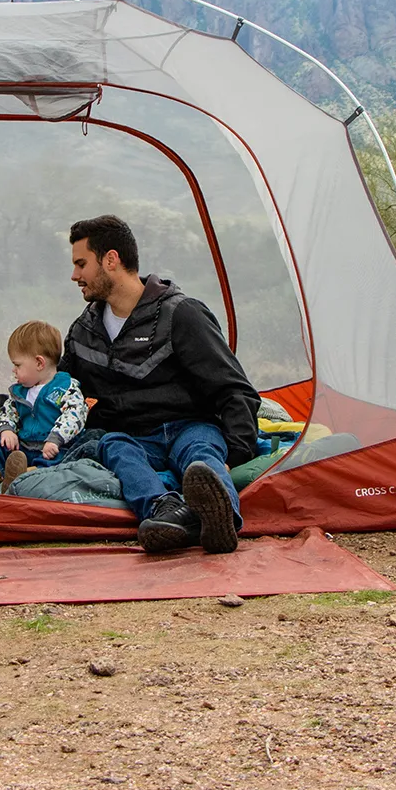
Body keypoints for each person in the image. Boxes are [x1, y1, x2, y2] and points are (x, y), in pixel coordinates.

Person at [61, 215, 261, 554]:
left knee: (201, 455)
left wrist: (237, 453)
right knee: (114, 445)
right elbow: (57, 391)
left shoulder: (182, 314)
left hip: (190, 426)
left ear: (111, 260)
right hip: (133, 437)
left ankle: (221, 518)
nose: (74, 275)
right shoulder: (84, 331)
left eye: (81, 264)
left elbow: (233, 389)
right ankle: (164, 513)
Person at [0, 320, 89, 494]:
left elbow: (75, 415)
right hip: (23, 444)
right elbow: (7, 411)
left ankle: (22, 475)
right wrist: (7, 430)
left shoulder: (65, 388)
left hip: (51, 447)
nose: (13, 370)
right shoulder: (20, 391)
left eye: (17, 365)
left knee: (60, 460)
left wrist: (56, 439)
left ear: (39, 363)